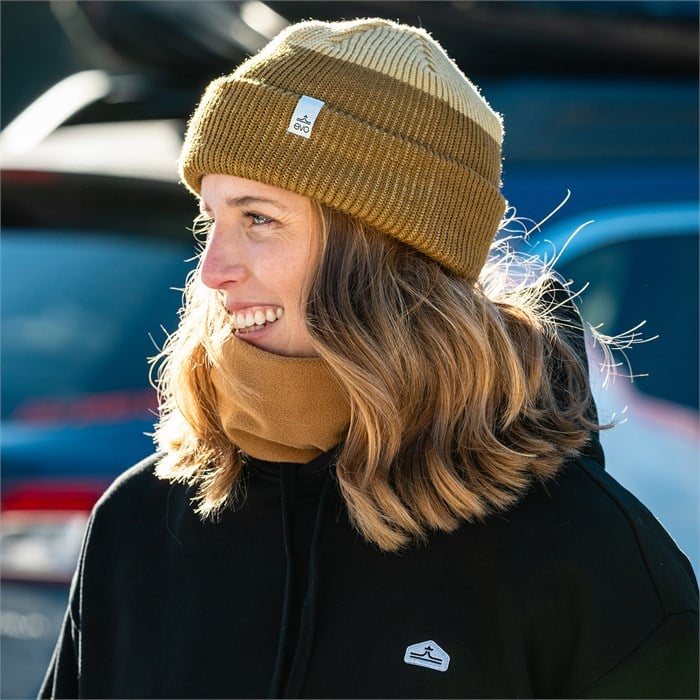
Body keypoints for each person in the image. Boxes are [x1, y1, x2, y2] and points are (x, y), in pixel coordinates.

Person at [40, 17, 698, 699]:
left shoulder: (578, 554)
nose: (212, 270)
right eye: (212, 219)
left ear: (387, 251)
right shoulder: (141, 525)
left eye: (258, 218)